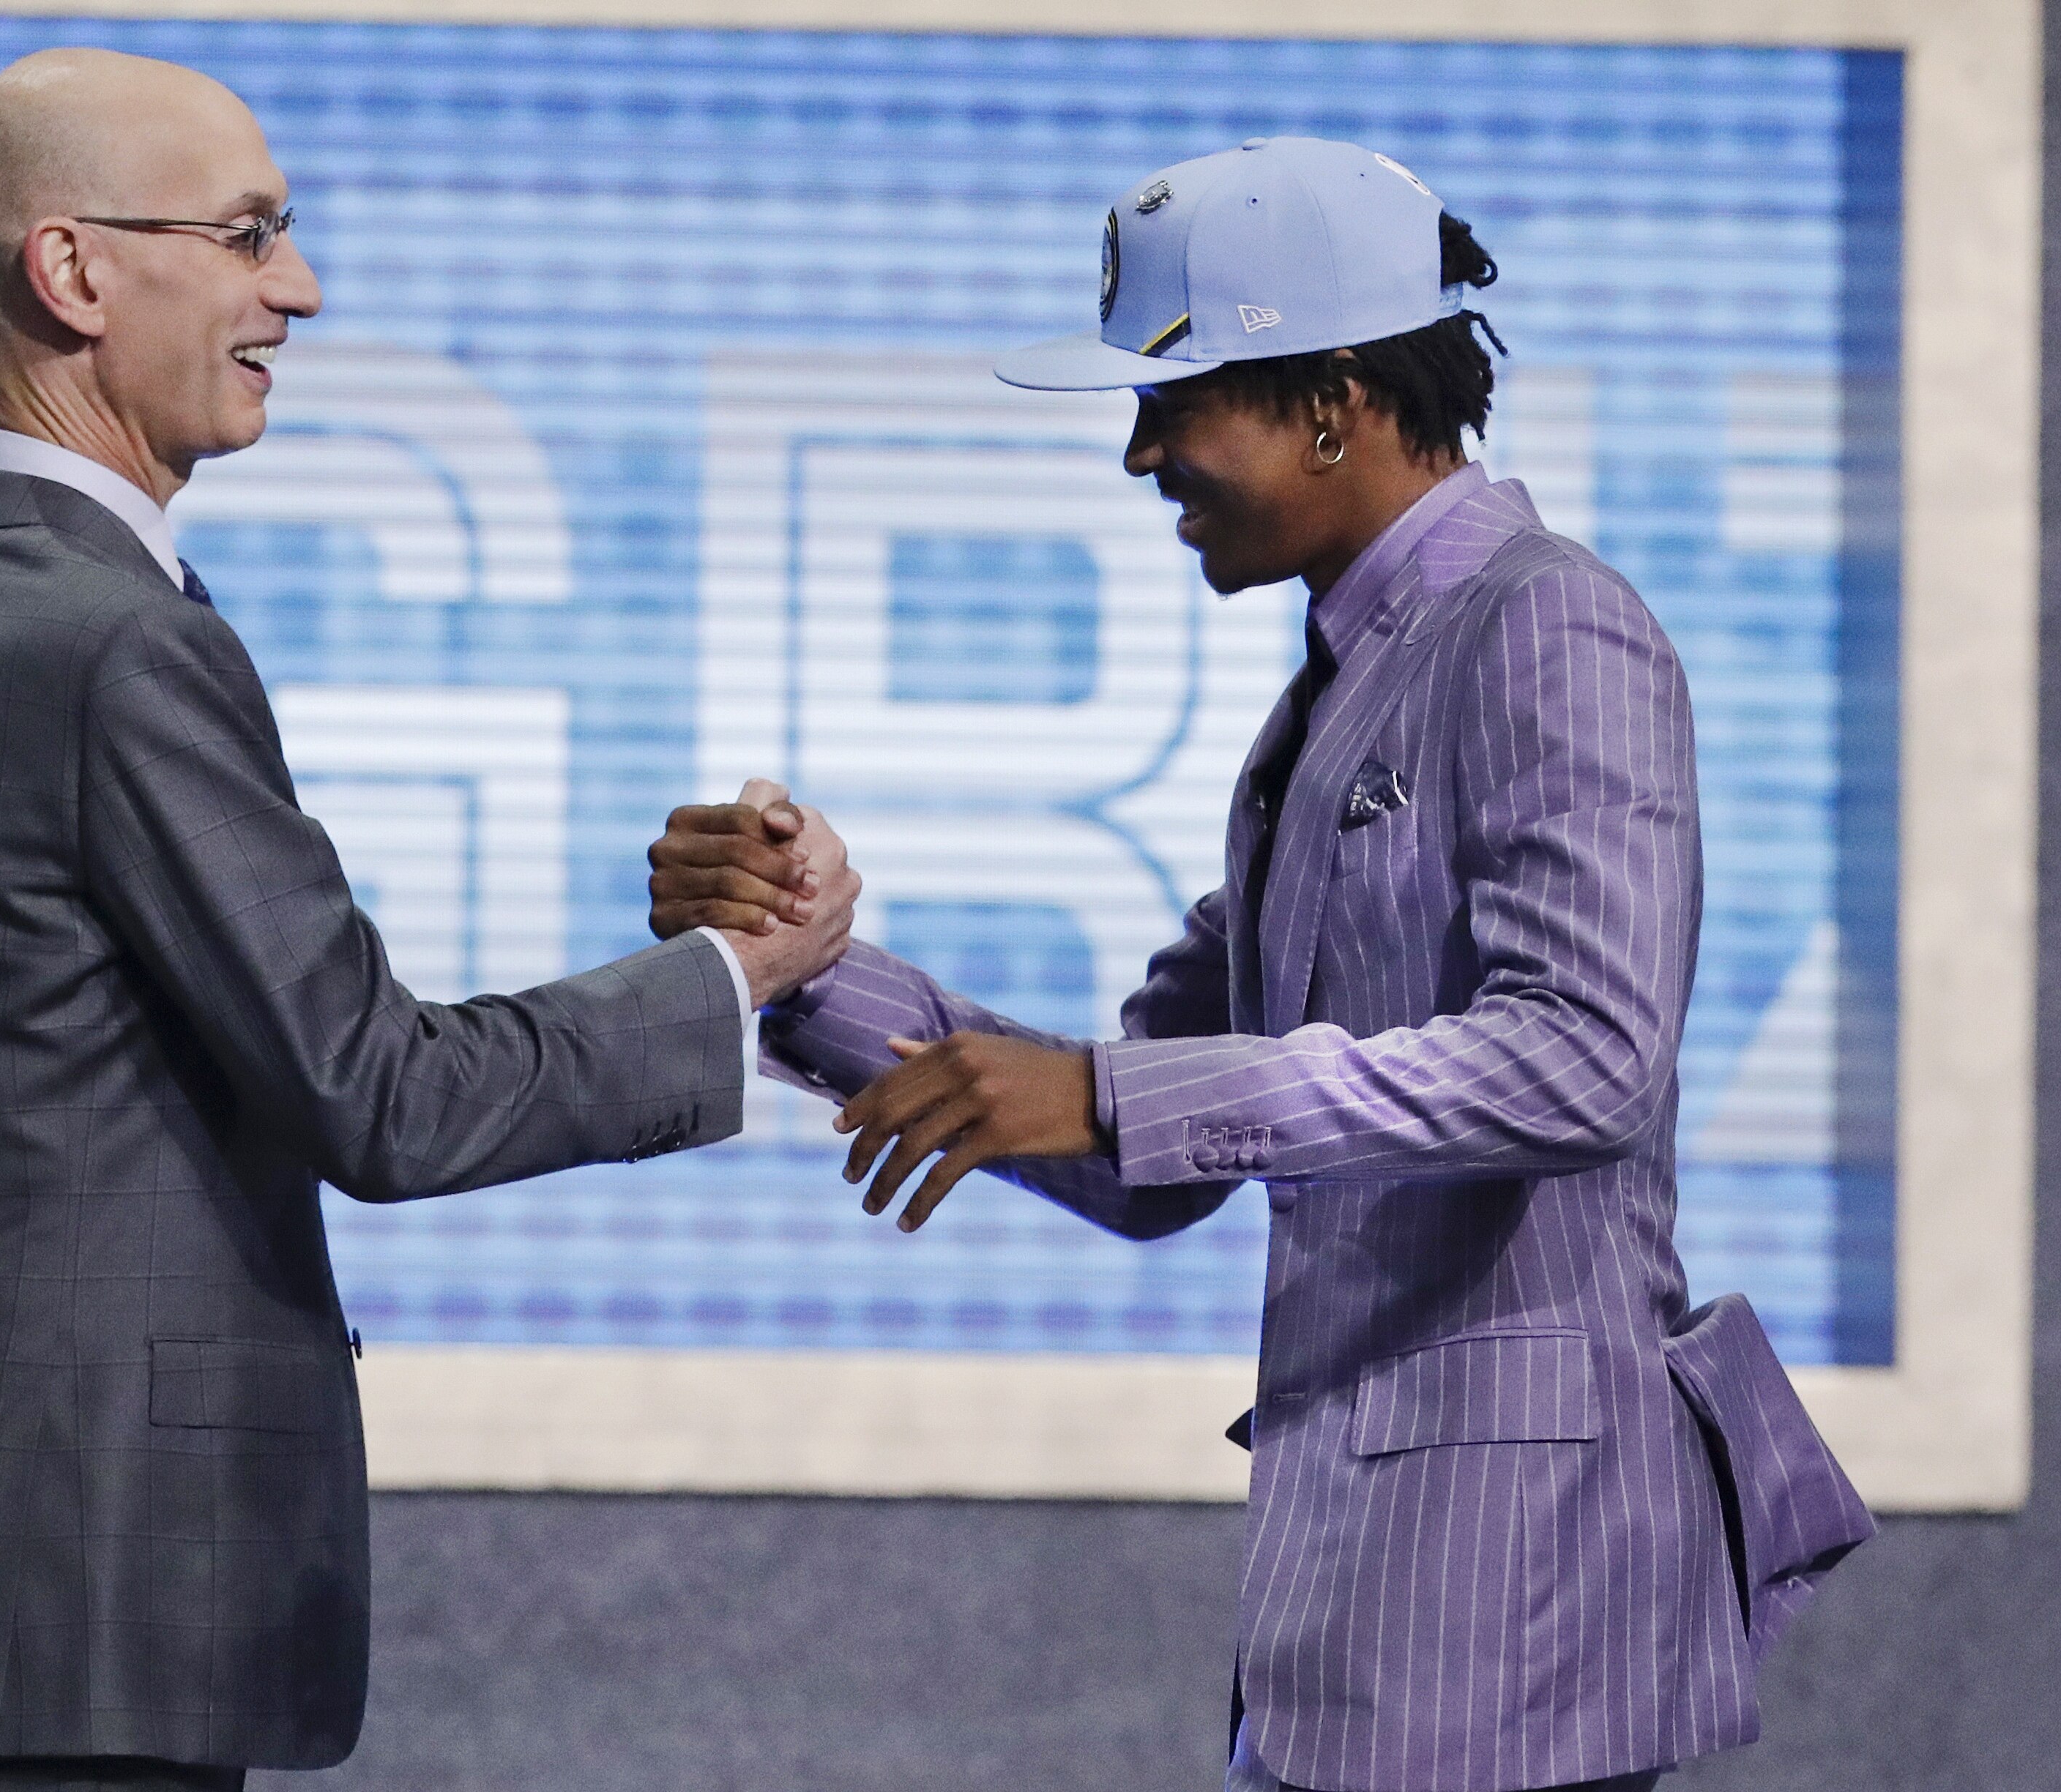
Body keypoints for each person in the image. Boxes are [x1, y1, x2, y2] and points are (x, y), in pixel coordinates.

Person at [651, 137, 1872, 1792]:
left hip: (1513, 1617)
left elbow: (1589, 1057)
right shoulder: (1336, 694)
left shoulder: (1549, 624)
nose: (1144, 450)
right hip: (1364, 1620)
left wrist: (1113, 1094)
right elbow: (1144, 1155)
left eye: (1177, 396)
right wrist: (801, 975)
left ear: (1336, 401)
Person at [0, 48, 856, 1792]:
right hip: (83, 1647)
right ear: (74, 271)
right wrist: (736, 976)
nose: (297, 289)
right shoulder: (119, 646)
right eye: (248, 236)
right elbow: (377, 1093)